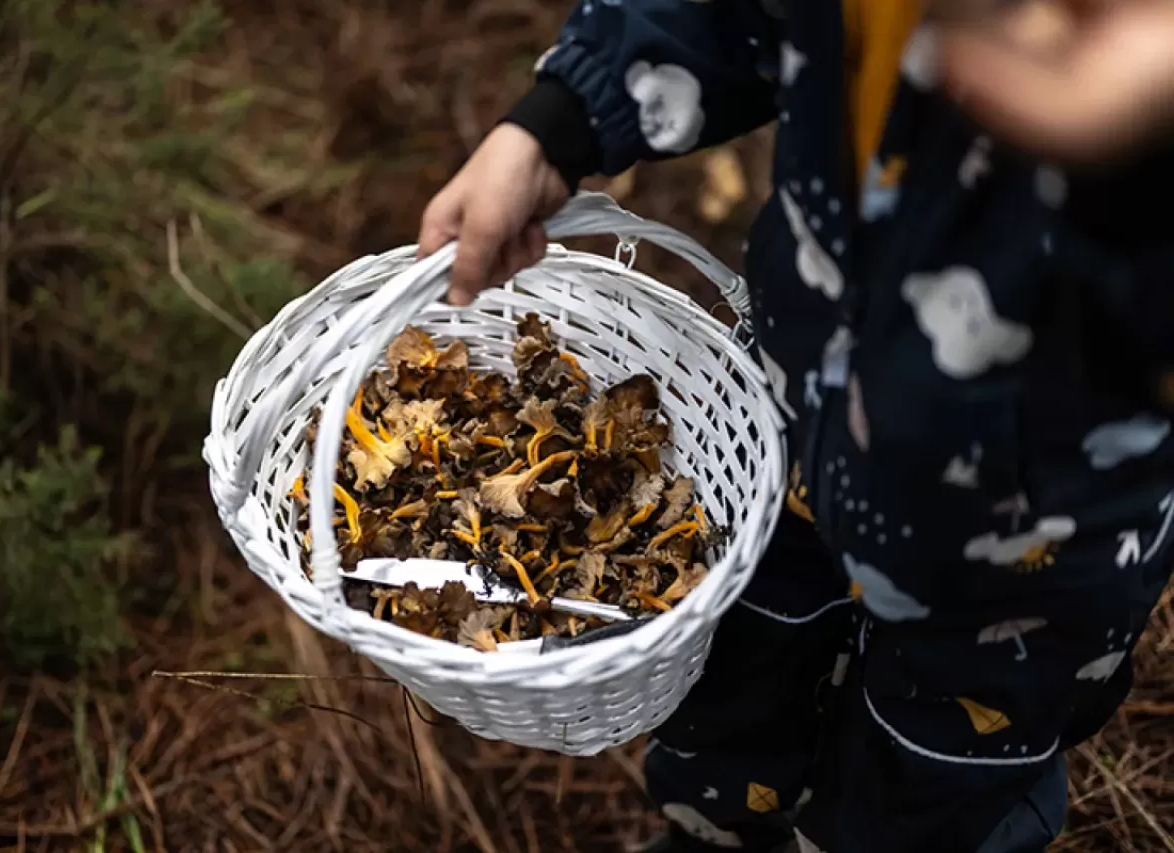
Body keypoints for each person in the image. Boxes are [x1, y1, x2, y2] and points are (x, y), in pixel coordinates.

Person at [417, 1, 1174, 851]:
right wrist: (564, 120)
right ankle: (717, 829)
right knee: (741, 674)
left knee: (939, 778)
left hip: (1033, 548)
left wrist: (1136, 154)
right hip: (785, 423)